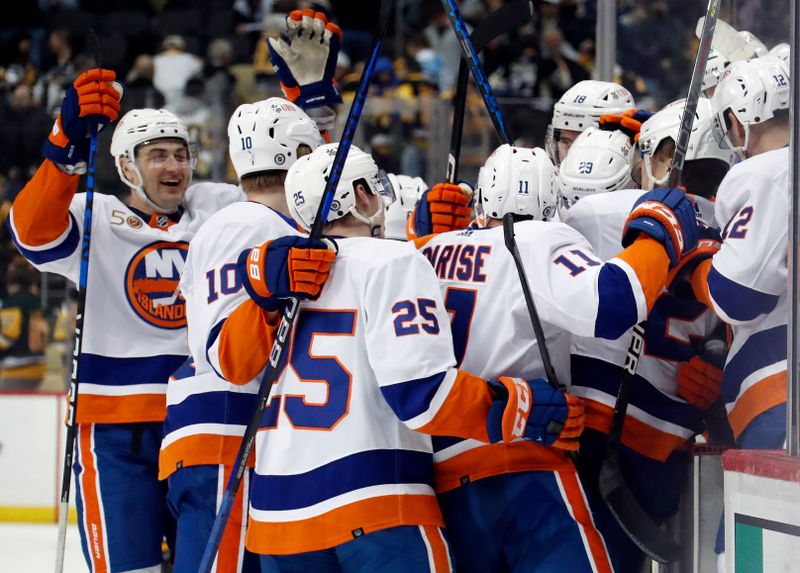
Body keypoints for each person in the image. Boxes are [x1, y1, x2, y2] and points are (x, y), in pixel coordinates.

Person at [213, 143, 583, 572]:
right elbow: (422, 395)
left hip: (276, 519)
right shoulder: (394, 261)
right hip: (376, 503)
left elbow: (230, 368)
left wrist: (261, 301)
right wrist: (523, 408)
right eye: (377, 187)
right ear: (363, 195)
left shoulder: (287, 273)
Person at [412, 142, 700, 572]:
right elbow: (613, 303)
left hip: (443, 483)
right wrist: (660, 234)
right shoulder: (538, 238)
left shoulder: (425, 251)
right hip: (525, 471)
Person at [8, 69, 245, 571]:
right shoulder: (94, 215)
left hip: (200, 421)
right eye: (157, 155)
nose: (174, 164)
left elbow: (293, 199)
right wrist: (64, 145)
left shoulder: (217, 208)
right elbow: (31, 233)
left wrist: (312, 110)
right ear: (126, 167)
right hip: (115, 432)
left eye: (181, 154)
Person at [558, 98, 732, 571]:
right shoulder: (733, 225)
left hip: (582, 422)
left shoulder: (591, 213)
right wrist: (723, 367)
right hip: (661, 444)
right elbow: (738, 305)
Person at [162, 97, 324, 573]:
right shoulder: (245, 224)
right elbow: (224, 354)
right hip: (227, 430)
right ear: (296, 158)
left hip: (244, 435)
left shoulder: (267, 225)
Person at [687, 56, 790, 571]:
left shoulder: (766, 173)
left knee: (754, 551)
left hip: (782, 396)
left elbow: (741, 296)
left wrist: (699, 258)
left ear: (743, 116)